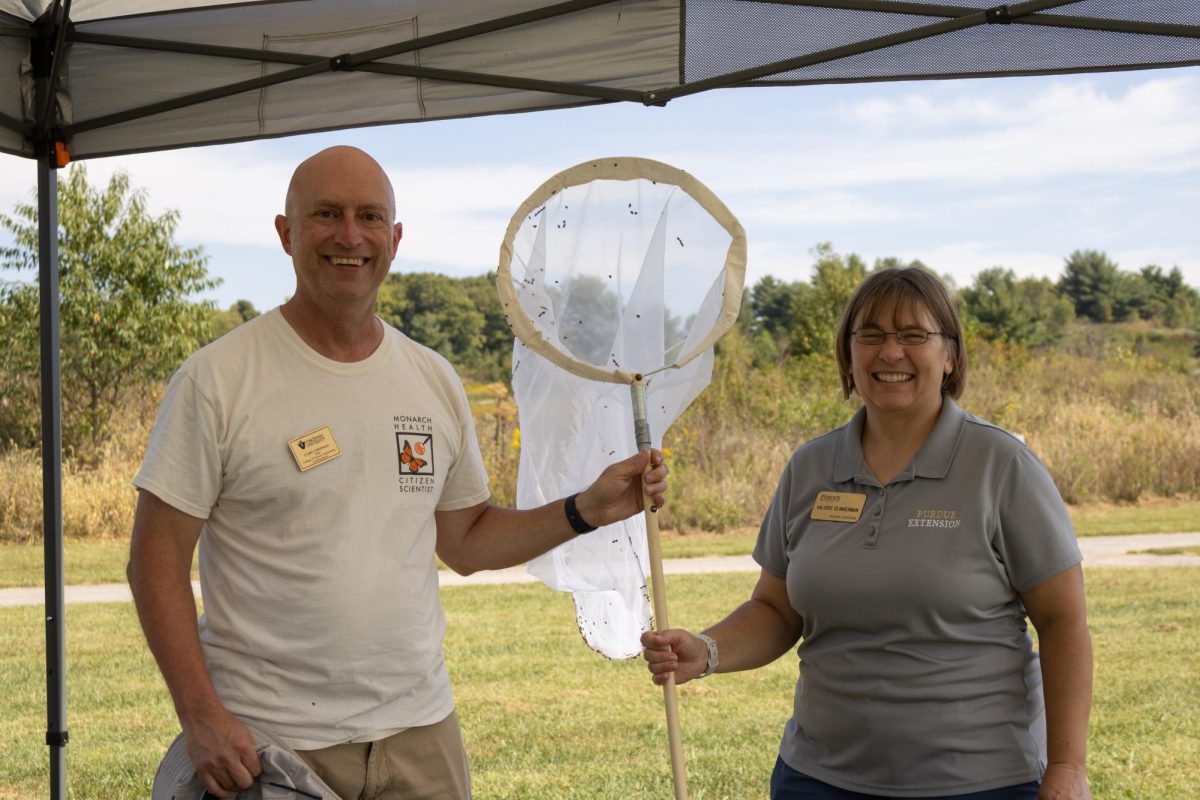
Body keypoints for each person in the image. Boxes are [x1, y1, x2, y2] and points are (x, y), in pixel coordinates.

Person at [127, 145, 668, 800]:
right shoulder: (219, 379)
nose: (350, 236)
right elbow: (155, 561)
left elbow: (465, 540)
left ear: (395, 237)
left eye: (370, 217)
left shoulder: (431, 378)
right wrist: (200, 716)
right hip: (268, 738)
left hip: (420, 736)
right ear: (285, 232)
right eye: (326, 214)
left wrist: (587, 508)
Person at [641, 267, 1092, 800]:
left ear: (949, 357)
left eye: (913, 336)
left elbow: (1063, 623)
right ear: (848, 356)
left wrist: (1066, 768)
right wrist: (706, 649)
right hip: (817, 779)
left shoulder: (1002, 465)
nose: (891, 352)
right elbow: (777, 610)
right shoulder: (811, 467)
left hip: (978, 782)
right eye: (871, 335)